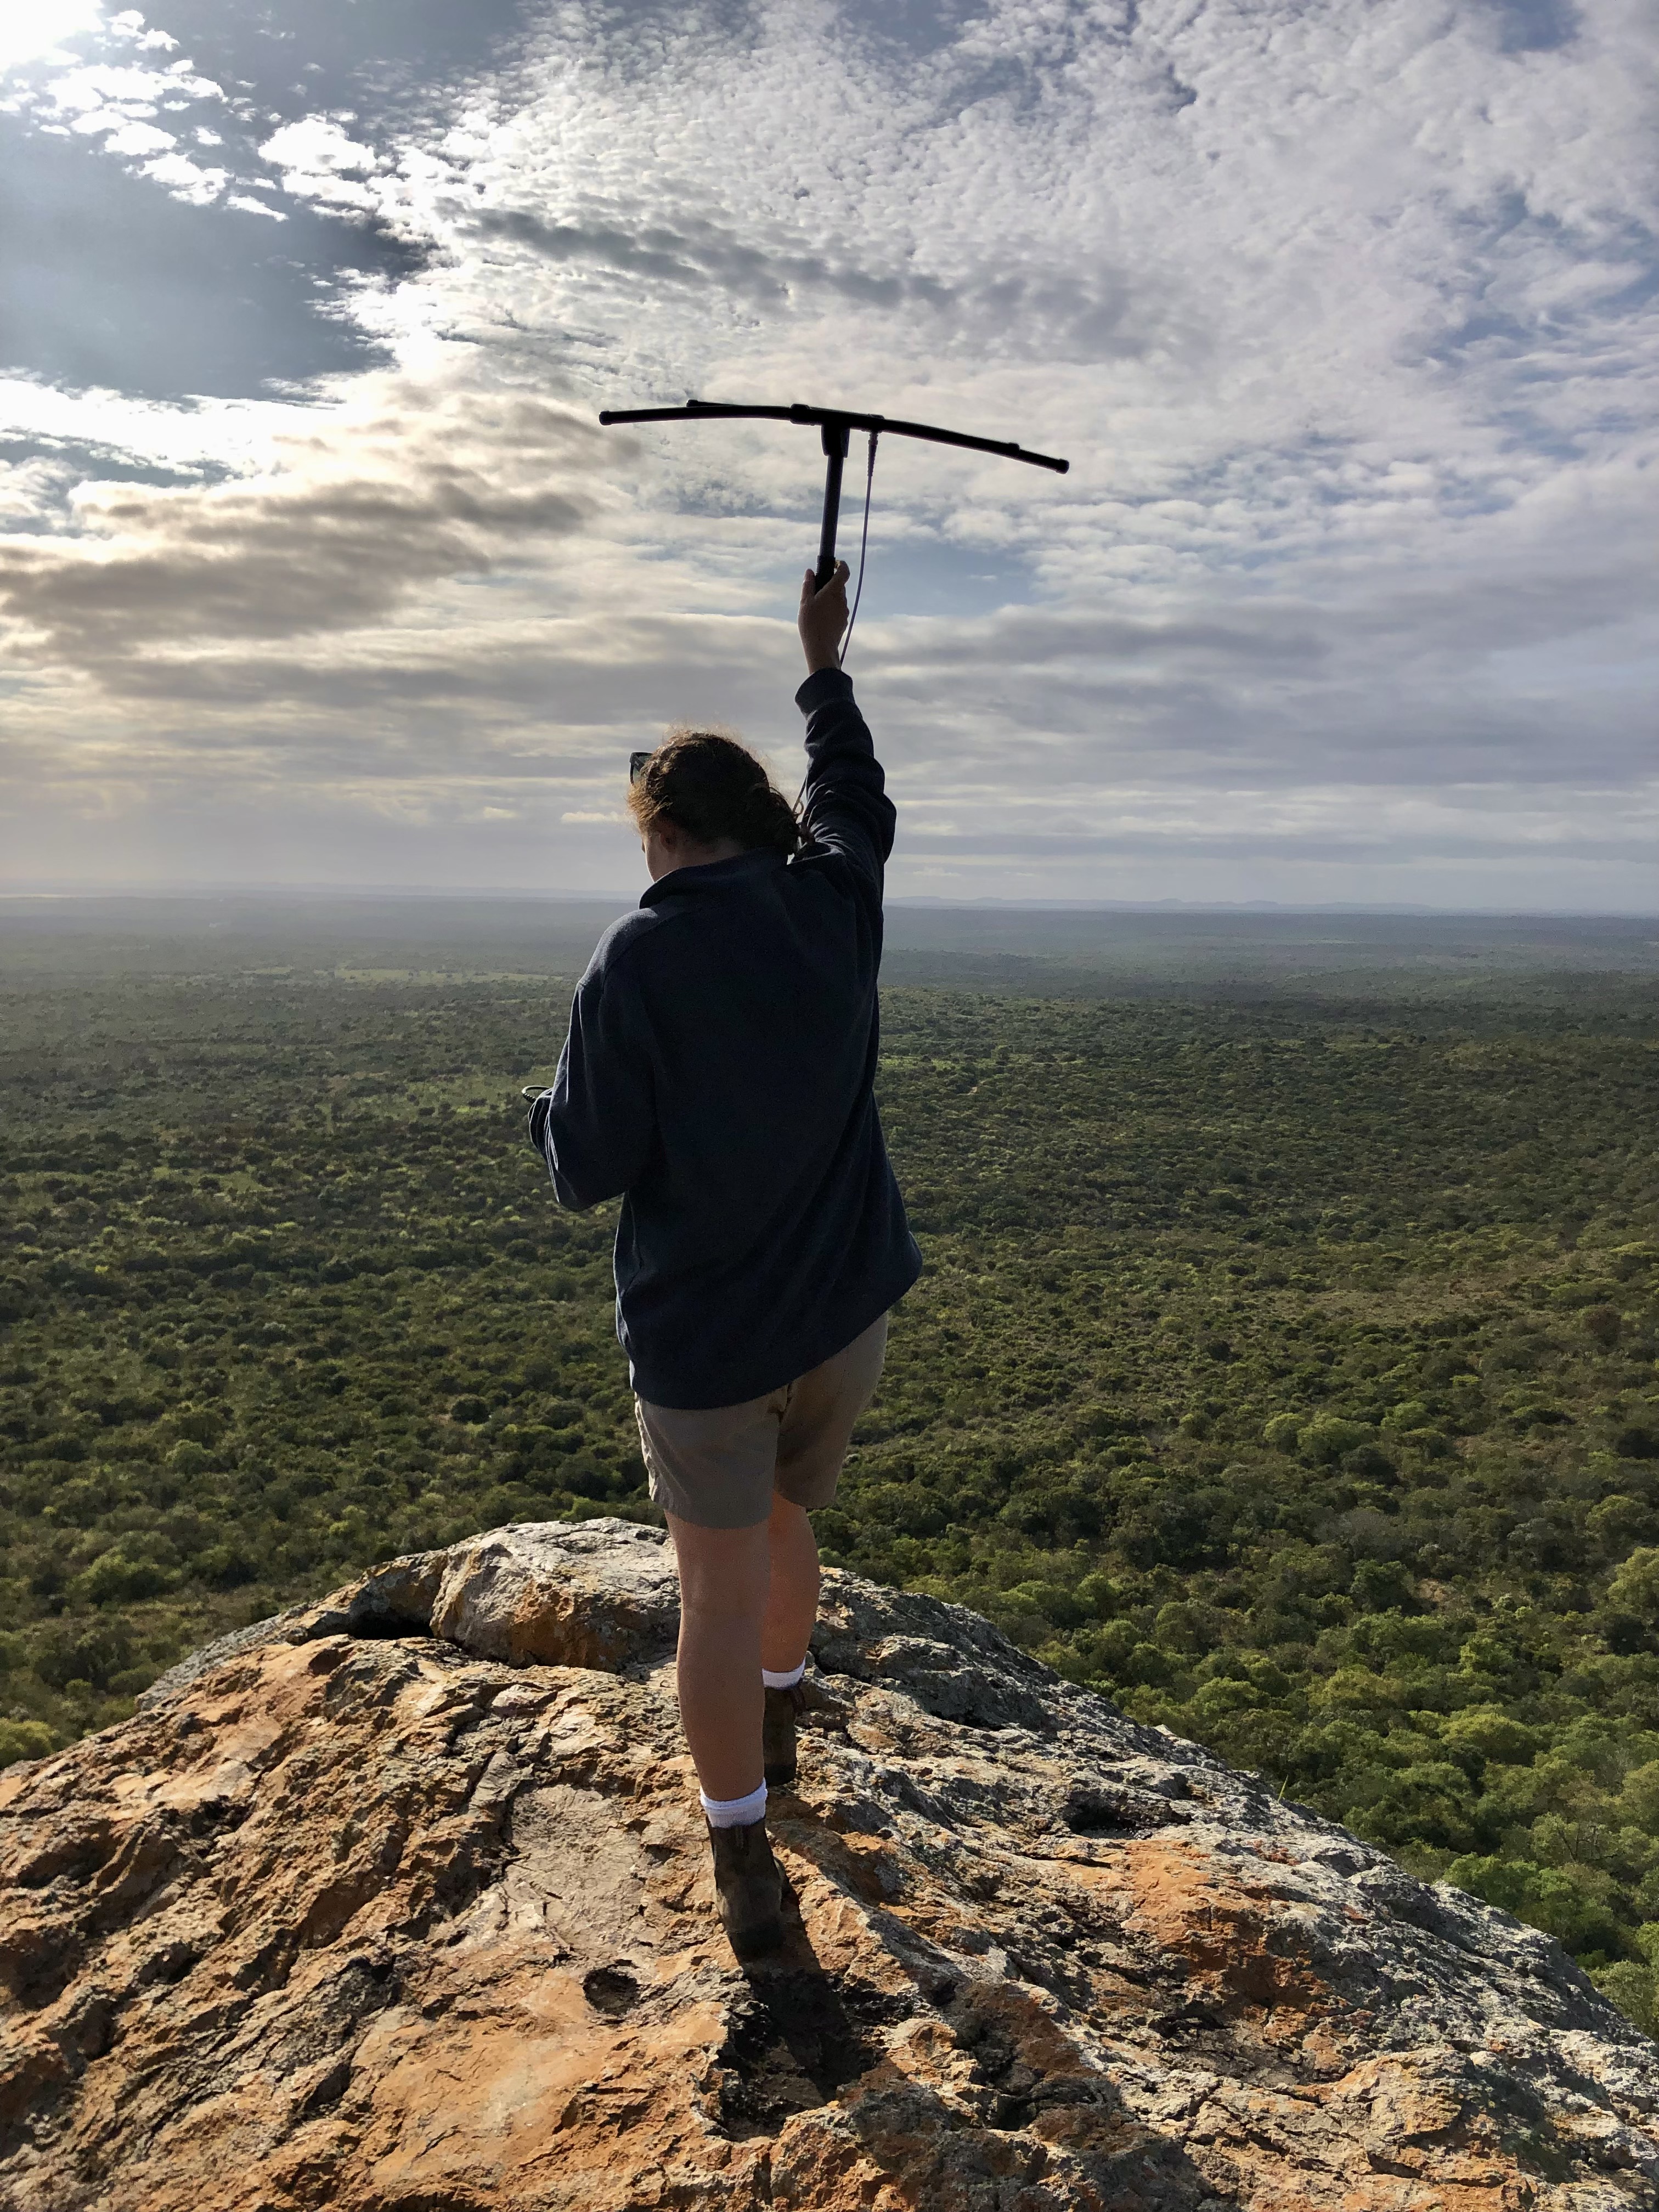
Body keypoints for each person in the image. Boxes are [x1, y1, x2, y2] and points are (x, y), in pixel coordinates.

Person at [527, 560, 921, 1959]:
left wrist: (539, 1113)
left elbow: (587, 1170)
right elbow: (855, 794)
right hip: (844, 1316)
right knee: (790, 1525)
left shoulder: (638, 958)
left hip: (709, 1348)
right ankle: (787, 1715)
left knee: (710, 1585)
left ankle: (742, 1838)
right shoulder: (838, 904)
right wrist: (821, 665)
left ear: (668, 832)